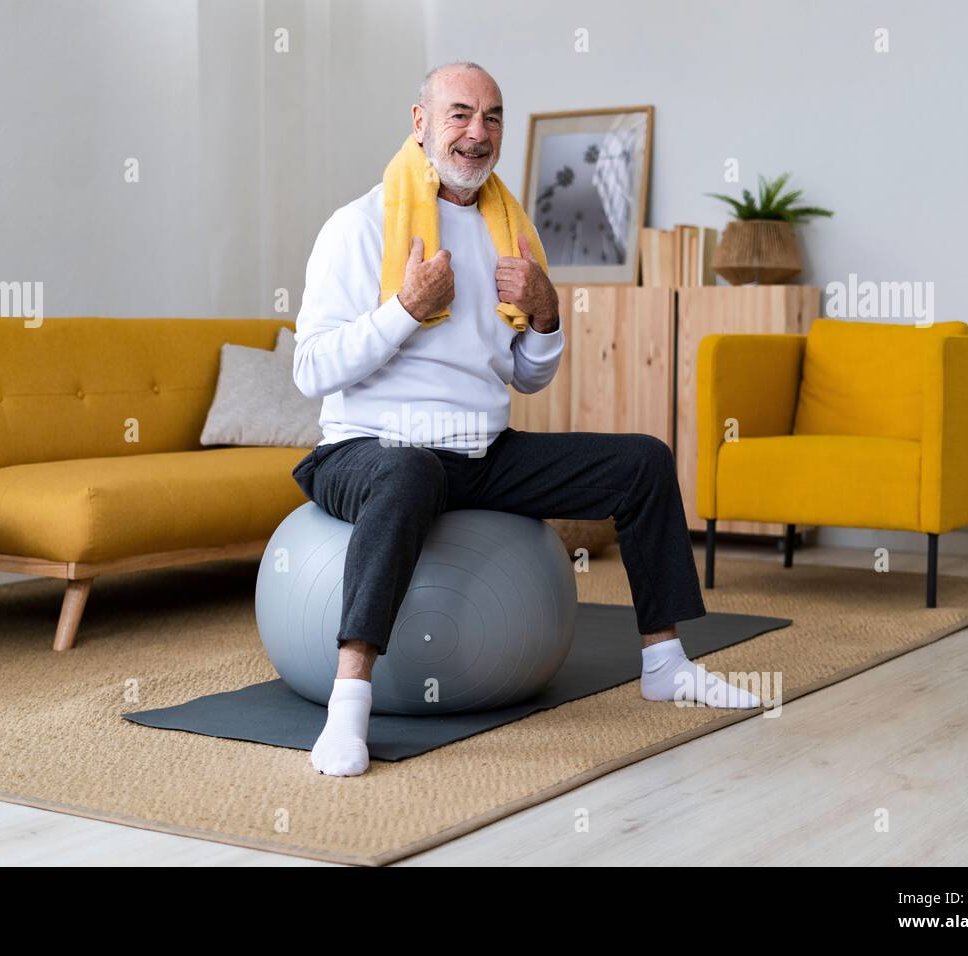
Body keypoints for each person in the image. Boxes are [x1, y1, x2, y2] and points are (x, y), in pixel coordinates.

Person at [291, 62, 760, 777]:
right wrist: (404, 310)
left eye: (492, 117)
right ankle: (348, 704)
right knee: (409, 470)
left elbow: (528, 377)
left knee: (643, 461)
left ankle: (665, 661)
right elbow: (311, 370)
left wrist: (546, 314)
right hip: (369, 448)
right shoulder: (357, 227)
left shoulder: (507, 233)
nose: (476, 134)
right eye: (458, 114)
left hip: (479, 449)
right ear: (419, 123)